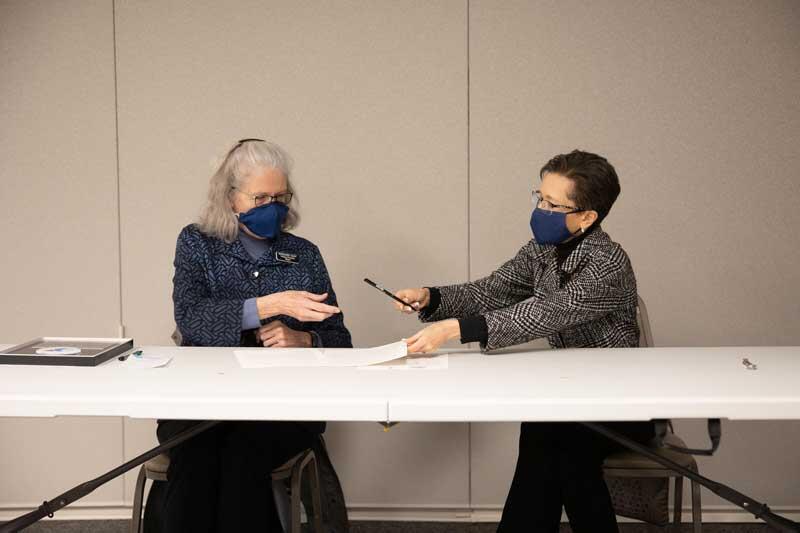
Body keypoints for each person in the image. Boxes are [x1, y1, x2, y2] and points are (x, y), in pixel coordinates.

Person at [392, 150, 653, 533]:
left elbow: (544, 314)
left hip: (620, 400)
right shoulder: (542, 250)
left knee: (558, 445)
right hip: (571, 393)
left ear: (587, 216)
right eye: (539, 198)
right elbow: (492, 291)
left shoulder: (607, 265)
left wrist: (452, 330)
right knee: (548, 436)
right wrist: (431, 297)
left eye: (552, 203)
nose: (540, 209)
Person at [150, 138, 352, 532]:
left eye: (281, 196)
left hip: (281, 406)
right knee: (197, 456)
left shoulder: (305, 254)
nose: (272, 207)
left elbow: (340, 340)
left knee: (243, 458)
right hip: (202, 399)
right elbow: (191, 319)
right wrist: (269, 305)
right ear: (230, 198)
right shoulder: (196, 244)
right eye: (260, 197)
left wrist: (304, 340)